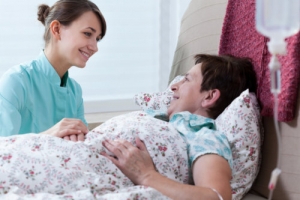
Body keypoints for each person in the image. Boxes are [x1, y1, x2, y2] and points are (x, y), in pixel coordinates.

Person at [101, 54, 257, 200]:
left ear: (209, 96)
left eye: (186, 80)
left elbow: (216, 196)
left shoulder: (204, 135)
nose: (174, 86)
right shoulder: (161, 120)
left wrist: (146, 176)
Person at [0, 0, 106, 141]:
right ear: (56, 29)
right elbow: (3, 149)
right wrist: (48, 136)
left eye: (97, 39)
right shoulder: (16, 82)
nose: (94, 47)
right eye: (87, 34)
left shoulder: (75, 91)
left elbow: (82, 147)